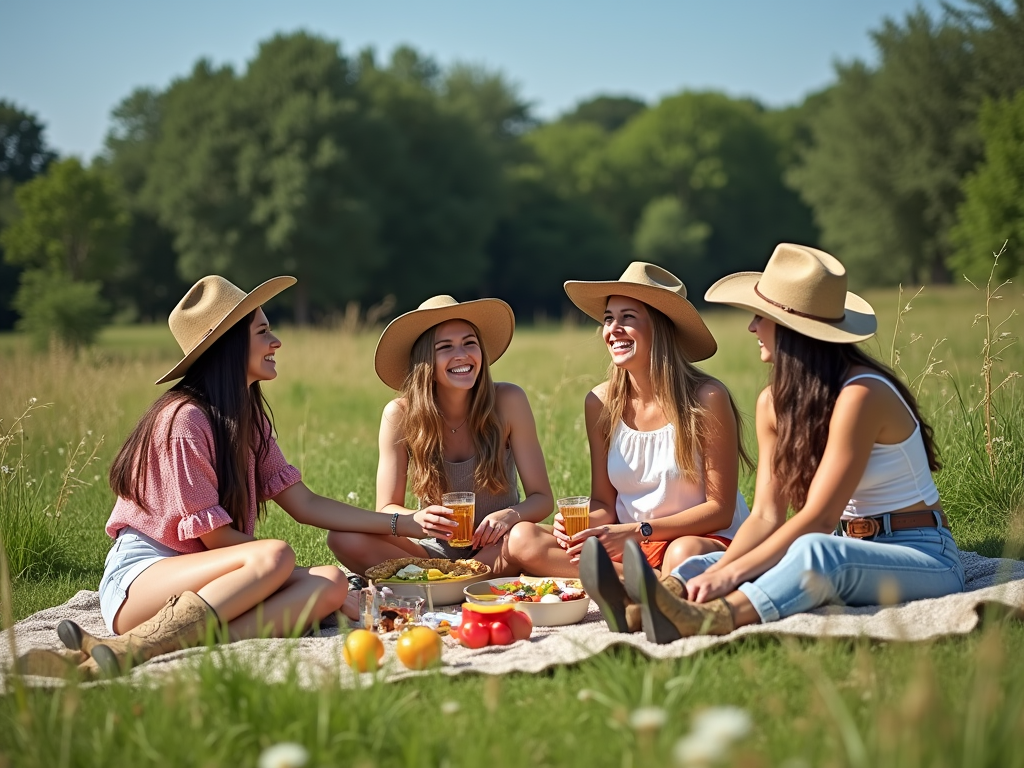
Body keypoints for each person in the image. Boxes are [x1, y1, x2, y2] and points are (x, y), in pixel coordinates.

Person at [585, 244, 965, 643]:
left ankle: (710, 618)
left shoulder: (862, 395)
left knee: (817, 554)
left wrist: (732, 576)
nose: (751, 327)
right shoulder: (773, 403)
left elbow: (818, 518)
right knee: (709, 562)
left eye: (760, 317)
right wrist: (719, 569)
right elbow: (767, 516)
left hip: (922, 553)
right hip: (846, 541)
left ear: (792, 328)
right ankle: (652, 604)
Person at [52, 276, 431, 677]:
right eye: (264, 331)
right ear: (230, 344)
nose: (276, 342)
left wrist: (404, 522)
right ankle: (133, 646)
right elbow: (216, 540)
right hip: (144, 582)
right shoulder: (184, 420)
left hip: (210, 580)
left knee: (332, 584)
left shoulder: (247, 423)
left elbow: (305, 503)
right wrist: (283, 572)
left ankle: (158, 647)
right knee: (276, 555)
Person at [511, 262, 752, 631]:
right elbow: (605, 505)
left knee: (682, 554)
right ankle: (651, 594)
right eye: (608, 318)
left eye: (628, 317)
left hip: (702, 539)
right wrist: (582, 529)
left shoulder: (706, 397)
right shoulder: (600, 403)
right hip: (633, 547)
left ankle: (641, 590)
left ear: (660, 326)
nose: (612, 329)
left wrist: (638, 531)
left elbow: (719, 510)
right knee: (524, 539)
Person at [327, 295, 554, 578]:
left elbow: (542, 498)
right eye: (445, 347)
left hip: (500, 545)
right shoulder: (399, 414)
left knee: (525, 537)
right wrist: (416, 519)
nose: (462, 354)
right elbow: (386, 508)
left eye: (469, 343)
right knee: (342, 537)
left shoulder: (508, 400)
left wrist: (510, 516)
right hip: (433, 552)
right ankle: (457, 580)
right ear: (425, 362)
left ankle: (444, 585)